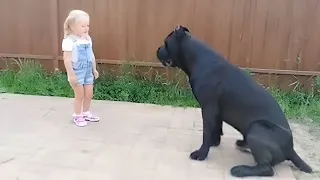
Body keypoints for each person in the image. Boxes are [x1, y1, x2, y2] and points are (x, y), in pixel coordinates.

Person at [62, 9, 100, 127]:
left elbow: (91, 55)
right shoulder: (69, 41)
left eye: (87, 25)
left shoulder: (87, 39)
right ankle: (77, 115)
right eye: (82, 25)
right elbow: (67, 59)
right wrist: (71, 75)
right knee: (80, 95)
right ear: (72, 26)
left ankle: (86, 113)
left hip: (88, 71)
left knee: (89, 94)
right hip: (77, 72)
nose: (86, 28)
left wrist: (94, 69)